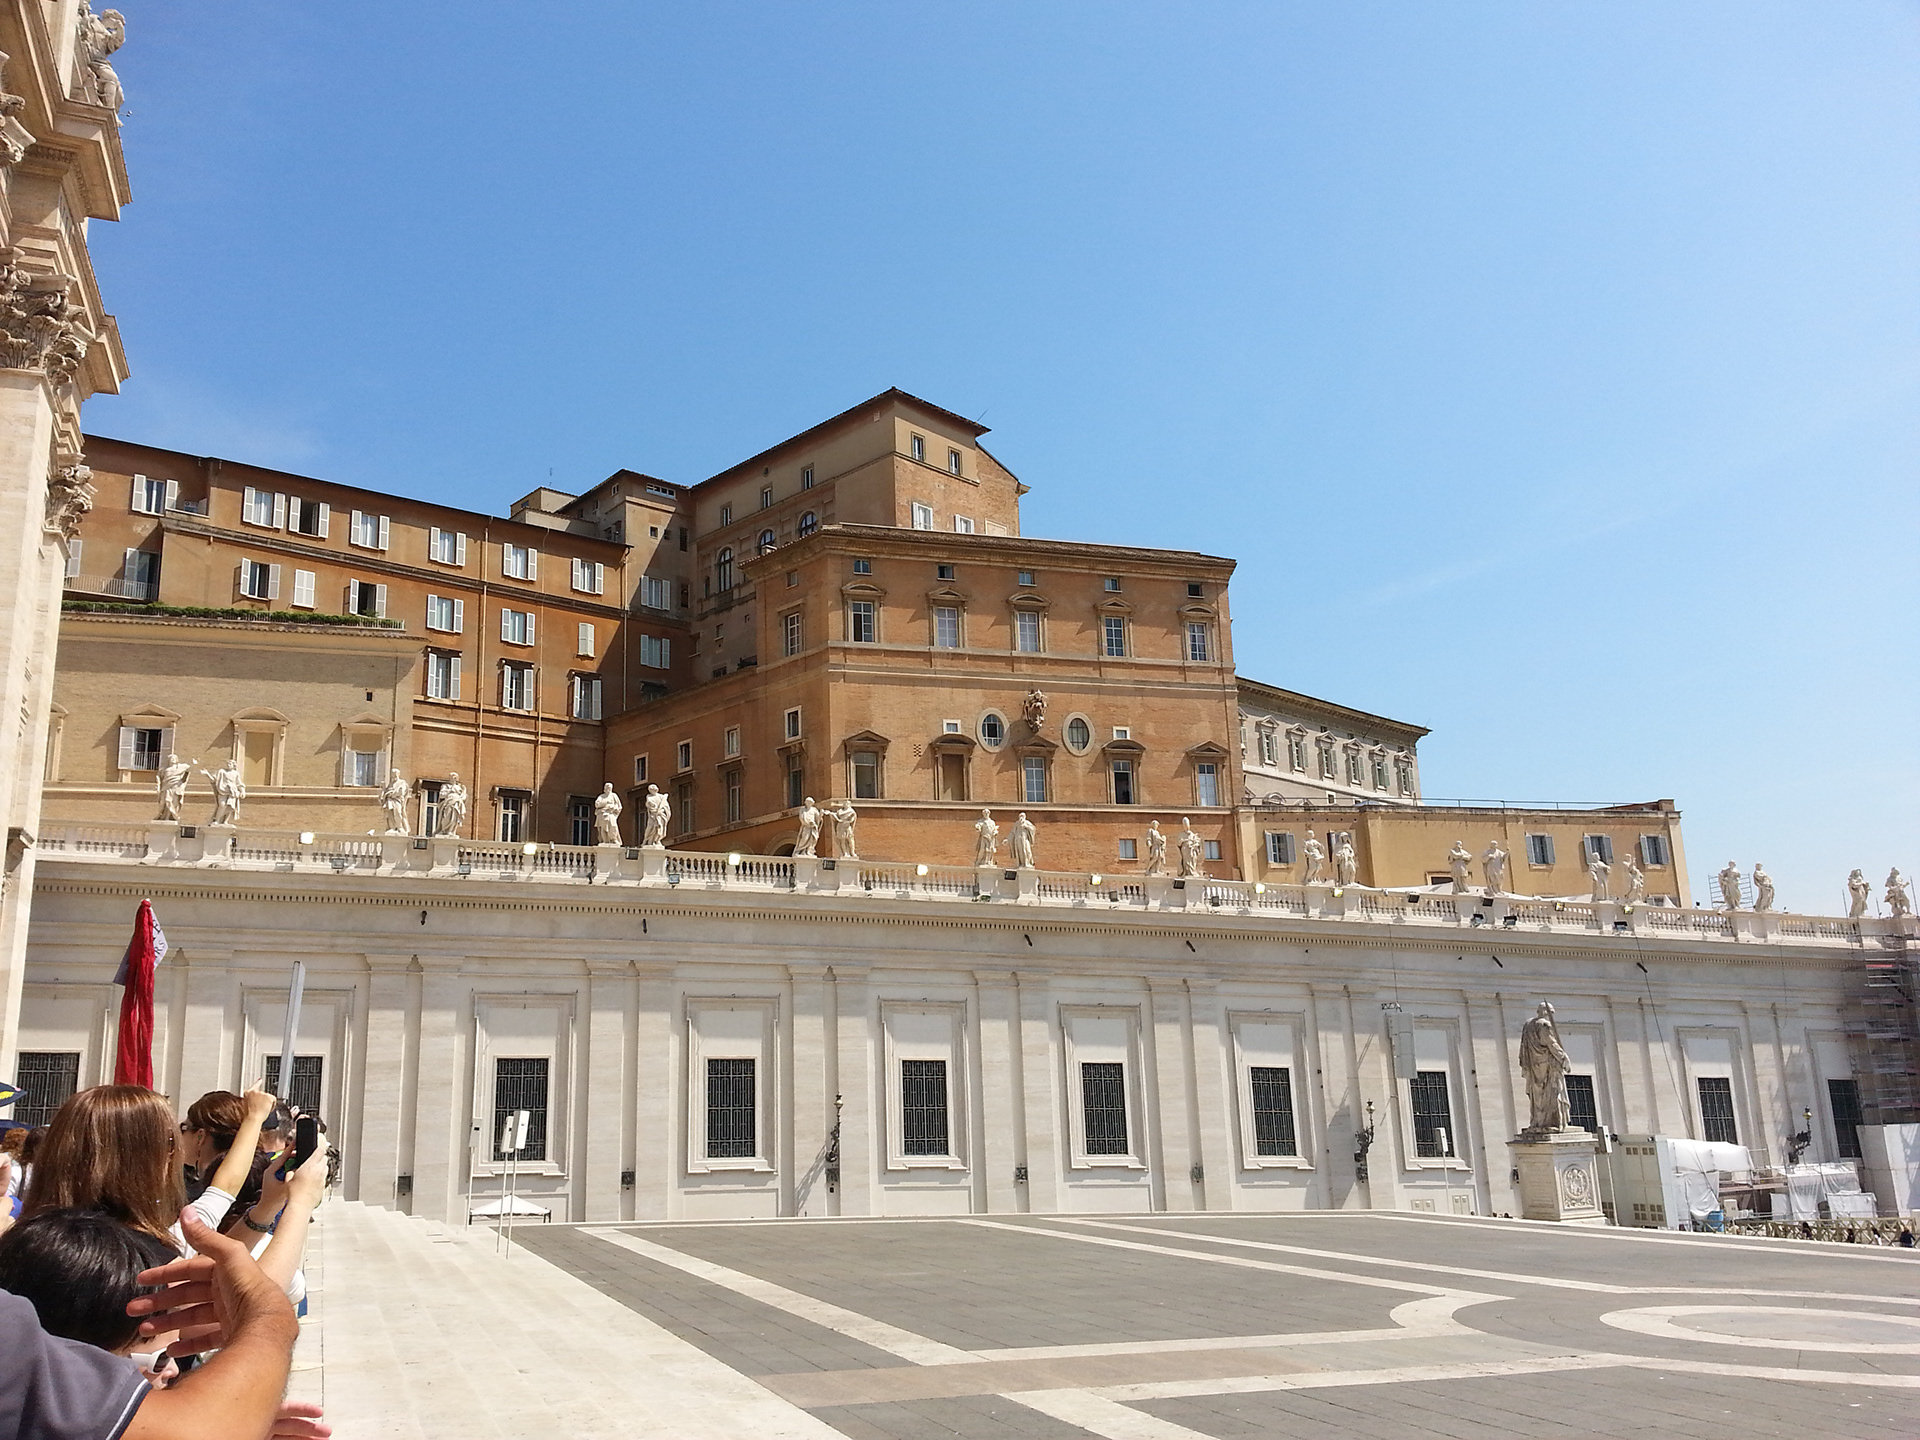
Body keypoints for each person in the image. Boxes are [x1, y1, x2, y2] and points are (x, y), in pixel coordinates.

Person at [26, 1085, 269, 1256]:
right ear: (145, 1163)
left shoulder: (21, 1243)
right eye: (170, 1142)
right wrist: (254, 1118)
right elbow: (224, 1188)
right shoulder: (162, 1253)